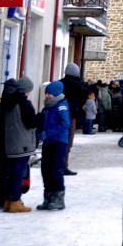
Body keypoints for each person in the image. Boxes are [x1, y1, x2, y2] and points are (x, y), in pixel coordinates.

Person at [0, 76, 41, 213]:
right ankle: (15, 201)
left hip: (7, 143)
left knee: (7, 172)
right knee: (18, 173)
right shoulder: (23, 103)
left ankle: (6, 200)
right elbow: (31, 122)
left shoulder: (5, 103)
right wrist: (40, 117)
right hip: (21, 143)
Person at [37, 81, 71, 211]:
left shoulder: (61, 106)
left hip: (58, 142)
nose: (47, 95)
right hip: (48, 142)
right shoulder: (47, 107)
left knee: (56, 170)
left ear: (56, 93)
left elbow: (65, 124)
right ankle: (48, 197)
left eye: (50, 93)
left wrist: (49, 133)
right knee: (46, 170)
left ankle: (58, 199)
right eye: (46, 93)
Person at [60, 62, 87, 172]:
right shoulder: (77, 85)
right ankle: (63, 166)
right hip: (71, 115)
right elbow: (84, 95)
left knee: (60, 140)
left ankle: (59, 165)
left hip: (59, 114)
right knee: (68, 141)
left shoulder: (60, 83)